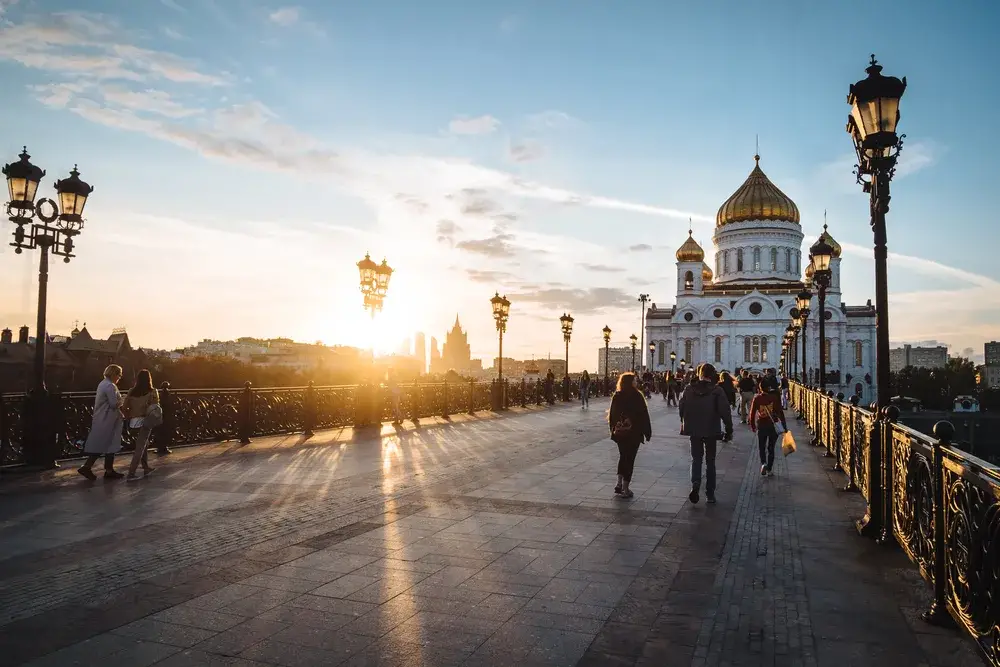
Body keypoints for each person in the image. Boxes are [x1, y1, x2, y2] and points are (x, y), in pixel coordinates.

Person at [679, 363, 733, 504]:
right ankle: (710, 494)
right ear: (712, 374)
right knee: (710, 461)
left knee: (696, 459)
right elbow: (725, 411)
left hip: (694, 429)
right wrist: (729, 429)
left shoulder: (689, 389)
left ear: (700, 373)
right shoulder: (717, 390)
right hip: (711, 429)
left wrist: (684, 421)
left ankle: (695, 484)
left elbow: (681, 406)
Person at [608, 372, 652, 499]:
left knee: (623, 457)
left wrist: (613, 430)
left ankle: (619, 483)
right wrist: (647, 432)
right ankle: (626, 489)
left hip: (621, 433)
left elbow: (612, 415)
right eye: (634, 380)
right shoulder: (637, 396)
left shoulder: (617, 395)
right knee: (630, 459)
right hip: (634, 433)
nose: (636, 382)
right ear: (630, 382)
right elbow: (644, 415)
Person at [78, 365, 126, 480]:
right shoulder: (110, 386)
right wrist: (124, 398)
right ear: (114, 374)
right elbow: (114, 404)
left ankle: (94, 467)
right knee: (109, 444)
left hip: (102, 418)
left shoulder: (102, 383)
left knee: (102, 443)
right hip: (108, 419)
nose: (119, 378)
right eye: (119, 375)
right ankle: (102, 469)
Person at [123, 369, 158, 481]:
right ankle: (131, 473)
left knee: (143, 444)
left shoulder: (131, 391)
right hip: (145, 421)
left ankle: (146, 467)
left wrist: (129, 416)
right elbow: (155, 407)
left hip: (134, 422)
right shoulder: (152, 391)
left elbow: (124, 407)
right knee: (140, 448)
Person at [749, 375, 787, 476]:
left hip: (761, 425)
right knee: (771, 448)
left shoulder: (757, 399)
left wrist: (753, 426)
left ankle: (763, 463)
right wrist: (784, 425)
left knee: (762, 446)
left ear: (760, 388)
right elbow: (780, 412)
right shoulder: (774, 398)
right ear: (769, 388)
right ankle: (769, 469)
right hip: (773, 426)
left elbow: (752, 414)